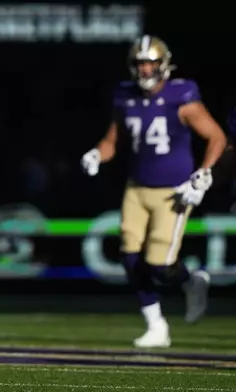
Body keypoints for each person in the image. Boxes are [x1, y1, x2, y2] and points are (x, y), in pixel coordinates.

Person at [81, 35, 227, 348]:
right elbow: (113, 140)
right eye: (140, 63)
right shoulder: (124, 95)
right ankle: (156, 324)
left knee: (160, 264)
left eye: (150, 63)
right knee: (130, 256)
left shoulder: (181, 95)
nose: (145, 70)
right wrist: (97, 153)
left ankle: (190, 281)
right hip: (136, 187)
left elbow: (216, 137)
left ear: (163, 65)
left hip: (173, 191)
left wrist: (204, 172)